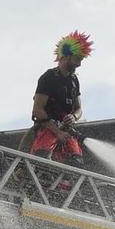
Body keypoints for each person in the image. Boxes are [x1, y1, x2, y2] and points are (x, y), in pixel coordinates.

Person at [30, 32, 92, 163]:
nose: (79, 64)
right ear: (66, 55)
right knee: (42, 161)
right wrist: (57, 132)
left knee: (76, 162)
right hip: (48, 128)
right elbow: (38, 110)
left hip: (66, 130)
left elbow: (78, 108)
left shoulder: (74, 81)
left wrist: (74, 116)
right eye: (77, 59)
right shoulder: (48, 77)